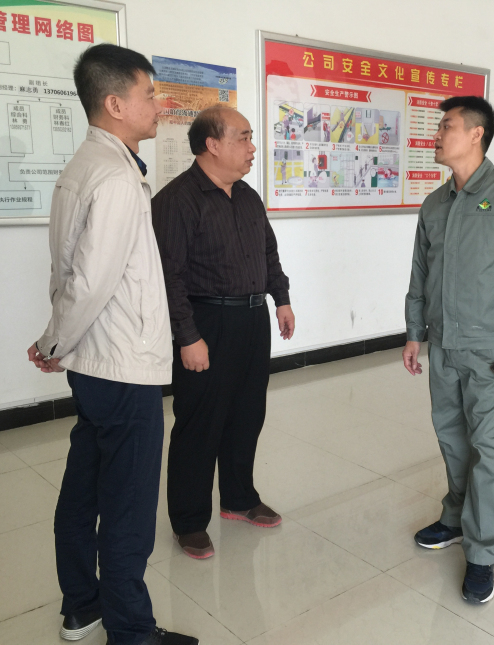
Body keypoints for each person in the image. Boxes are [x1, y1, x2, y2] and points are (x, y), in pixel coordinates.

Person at [26, 44, 197, 645]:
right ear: (115, 103)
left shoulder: (83, 166)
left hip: (96, 364)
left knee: (84, 490)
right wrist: (54, 342)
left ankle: (82, 606)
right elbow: (91, 282)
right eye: (149, 95)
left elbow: (68, 274)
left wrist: (58, 343)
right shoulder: (118, 179)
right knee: (127, 507)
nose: (159, 105)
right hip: (123, 367)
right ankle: (132, 632)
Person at [402, 96, 494, 604]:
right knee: (451, 437)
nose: (437, 135)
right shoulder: (435, 203)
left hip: (491, 349)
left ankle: (483, 551)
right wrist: (414, 332)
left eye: (446, 126)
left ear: (476, 134)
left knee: (486, 446)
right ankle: (455, 517)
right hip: (443, 345)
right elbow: (420, 273)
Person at [152, 106, 294, 560]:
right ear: (212, 145)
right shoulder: (177, 201)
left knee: (247, 414)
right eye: (243, 138)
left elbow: (268, 252)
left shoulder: (247, 196)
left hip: (252, 320)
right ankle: (189, 521)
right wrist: (187, 336)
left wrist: (281, 298)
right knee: (200, 423)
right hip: (206, 323)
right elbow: (168, 277)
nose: (252, 148)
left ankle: (239, 498)